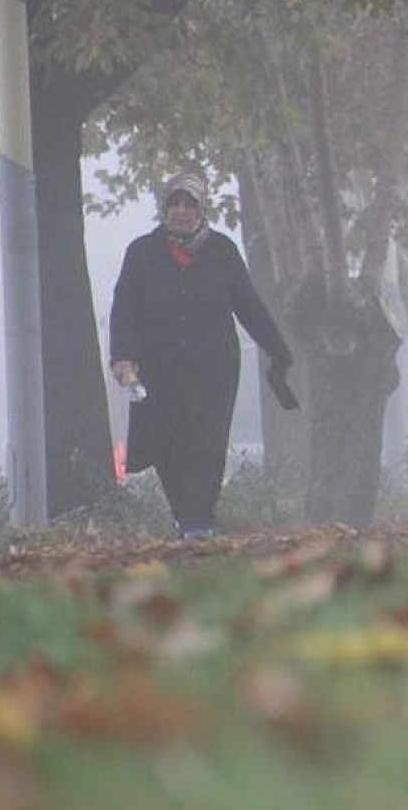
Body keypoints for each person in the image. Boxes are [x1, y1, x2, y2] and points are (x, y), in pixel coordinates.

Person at [109, 173, 294, 541]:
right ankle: (185, 514)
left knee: (205, 442)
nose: (180, 211)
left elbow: (249, 307)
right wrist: (123, 357)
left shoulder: (222, 252)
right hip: (159, 369)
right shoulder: (142, 253)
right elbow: (125, 309)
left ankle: (198, 521)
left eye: (188, 204)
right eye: (174, 203)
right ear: (164, 208)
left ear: (201, 209)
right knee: (167, 444)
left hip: (213, 369)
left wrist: (278, 350)